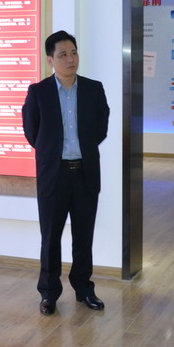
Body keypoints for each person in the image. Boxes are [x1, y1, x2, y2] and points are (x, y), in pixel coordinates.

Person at [22, 30, 110, 316]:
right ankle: (49, 293)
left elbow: (101, 128)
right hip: (54, 175)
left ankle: (84, 289)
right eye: (63, 54)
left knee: (84, 236)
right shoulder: (38, 92)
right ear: (50, 60)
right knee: (50, 237)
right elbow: (32, 132)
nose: (70, 59)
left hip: (85, 174)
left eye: (73, 53)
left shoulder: (94, 89)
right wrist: (52, 152)